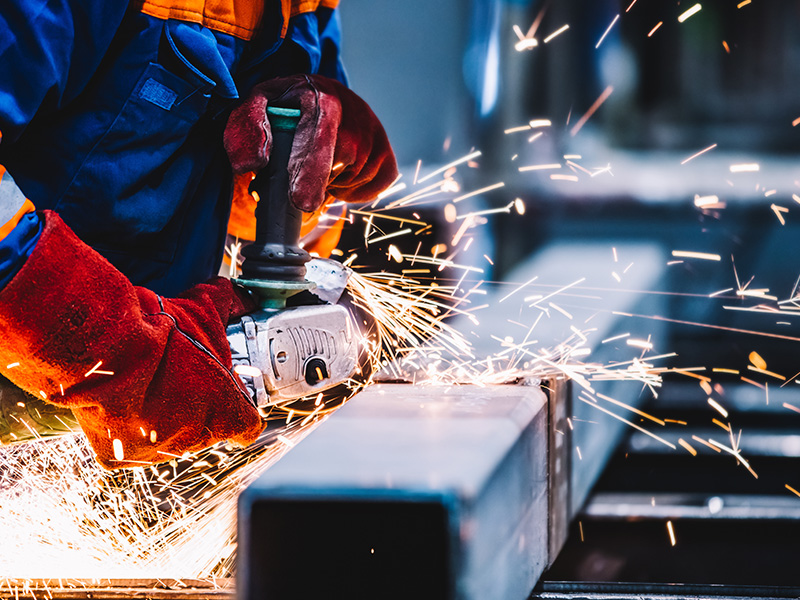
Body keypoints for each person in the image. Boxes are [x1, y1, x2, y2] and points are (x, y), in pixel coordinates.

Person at [0, 0, 398, 468]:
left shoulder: (306, 7)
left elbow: (211, 207)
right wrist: (116, 346)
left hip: (75, 418)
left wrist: (301, 179)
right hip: (52, 368)